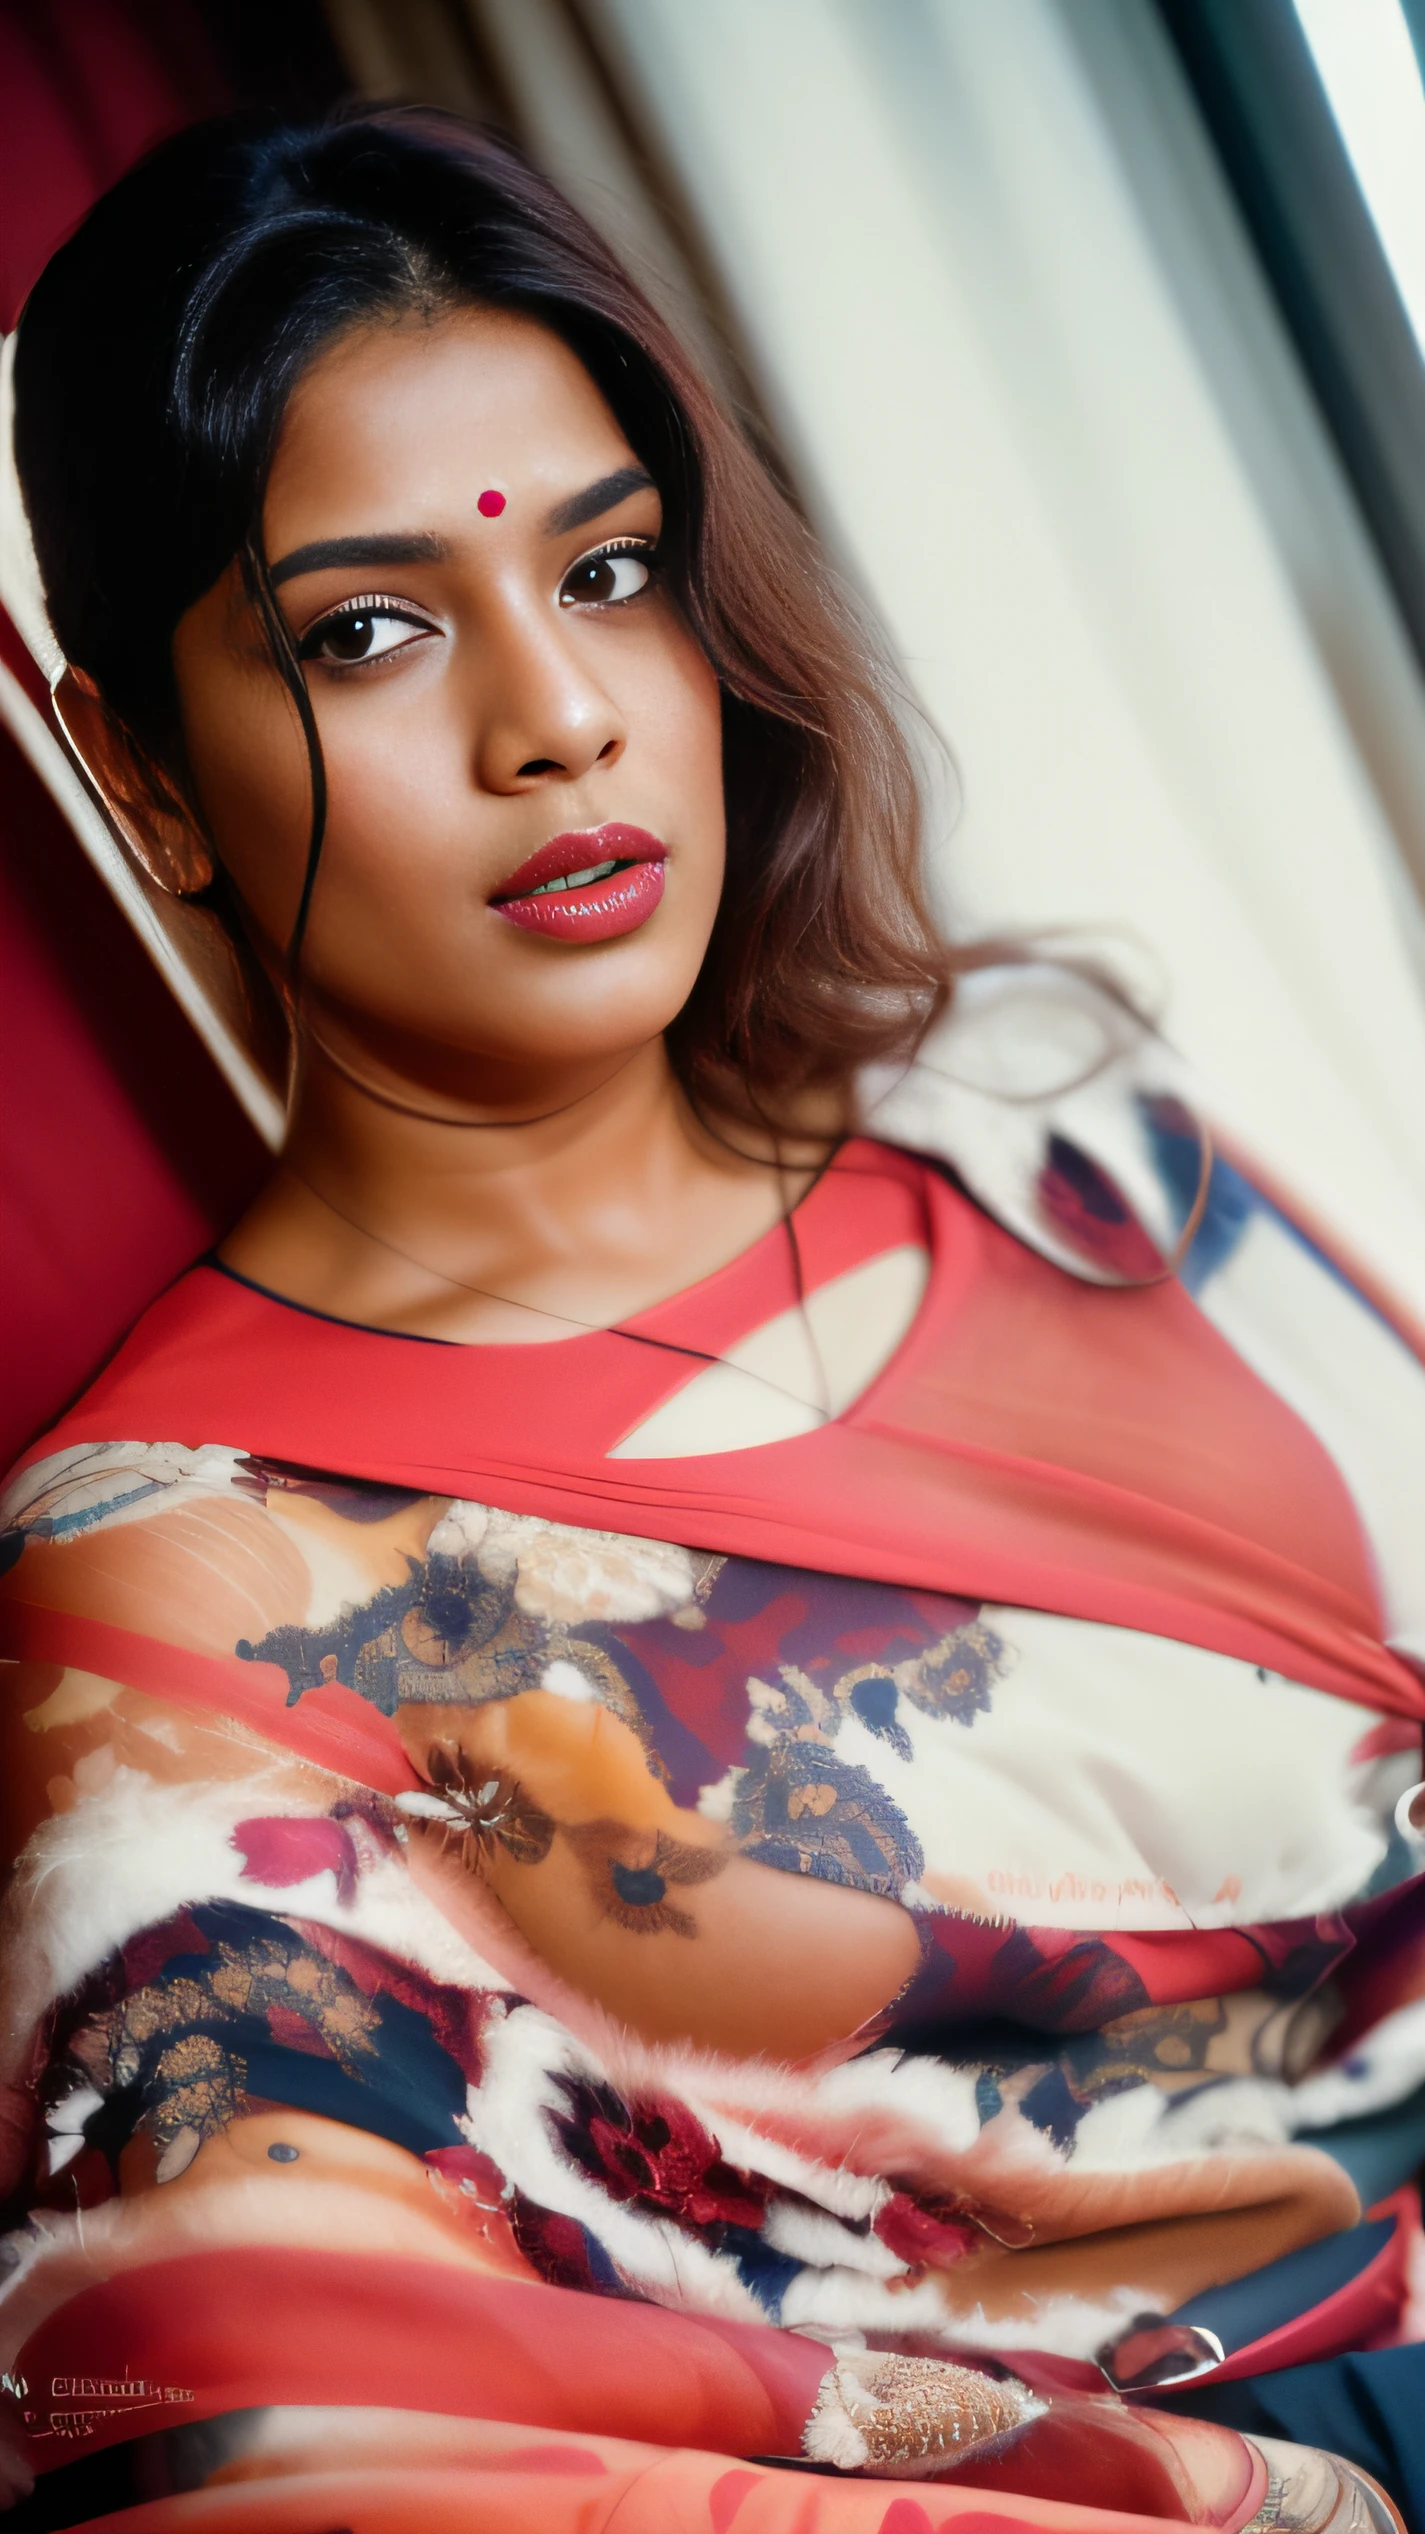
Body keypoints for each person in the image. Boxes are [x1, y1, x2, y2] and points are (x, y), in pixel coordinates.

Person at [2, 104, 1423, 2534]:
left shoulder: (1047, 1125)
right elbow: (253, 2420)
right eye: (366, 629)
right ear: (147, 774)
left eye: (617, 568)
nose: (554, 714)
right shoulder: (184, 1582)